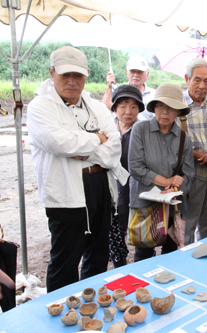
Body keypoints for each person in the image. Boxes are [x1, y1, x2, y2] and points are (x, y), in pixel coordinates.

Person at [27, 46, 121, 292]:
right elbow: (58, 142)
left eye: (77, 76)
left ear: (86, 75)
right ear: (52, 73)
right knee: (65, 259)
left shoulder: (96, 106)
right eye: (65, 75)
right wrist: (96, 138)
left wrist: (82, 145)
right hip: (66, 191)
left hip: (99, 183)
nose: (71, 82)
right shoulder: (40, 107)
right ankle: (60, 313)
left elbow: (114, 145)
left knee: (98, 253)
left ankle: (90, 303)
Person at [128, 84, 195, 261]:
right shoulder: (140, 130)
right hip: (145, 204)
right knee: (143, 255)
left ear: (178, 111)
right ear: (154, 107)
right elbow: (135, 167)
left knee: (171, 253)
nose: (165, 112)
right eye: (160, 106)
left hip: (172, 204)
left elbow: (189, 173)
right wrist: (166, 181)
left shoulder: (183, 137)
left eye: (171, 108)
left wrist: (175, 189)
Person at [180, 59, 207, 245]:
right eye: (197, 80)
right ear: (187, 79)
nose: (202, 86)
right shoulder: (178, 106)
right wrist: (203, 157)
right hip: (190, 176)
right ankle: (184, 263)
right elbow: (174, 142)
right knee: (187, 224)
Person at [108, 85, 145, 268]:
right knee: (115, 239)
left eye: (133, 106)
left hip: (137, 192)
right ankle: (119, 271)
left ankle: (141, 271)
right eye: (122, 106)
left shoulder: (143, 131)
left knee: (142, 238)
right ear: (114, 108)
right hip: (112, 193)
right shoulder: (107, 130)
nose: (128, 111)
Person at [102, 56, 156, 120]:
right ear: (127, 72)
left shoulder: (155, 95)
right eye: (132, 71)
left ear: (147, 74)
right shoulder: (118, 92)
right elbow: (105, 110)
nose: (136, 75)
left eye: (140, 72)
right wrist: (109, 86)